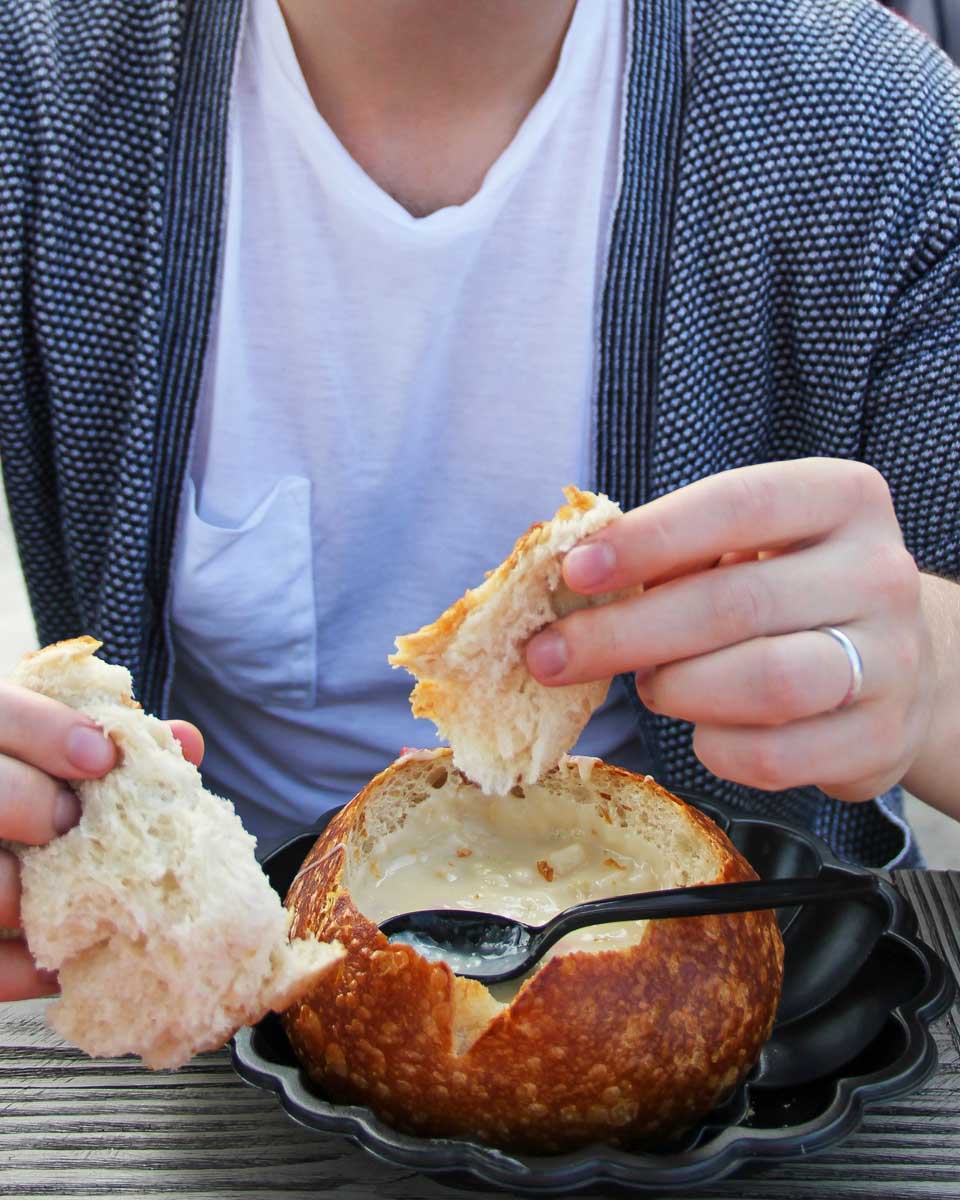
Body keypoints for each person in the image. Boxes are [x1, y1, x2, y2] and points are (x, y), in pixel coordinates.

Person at [1, 0, 958, 1003]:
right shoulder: (47, 89)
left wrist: (928, 676)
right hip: (212, 1044)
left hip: (736, 1042)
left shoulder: (869, 129)